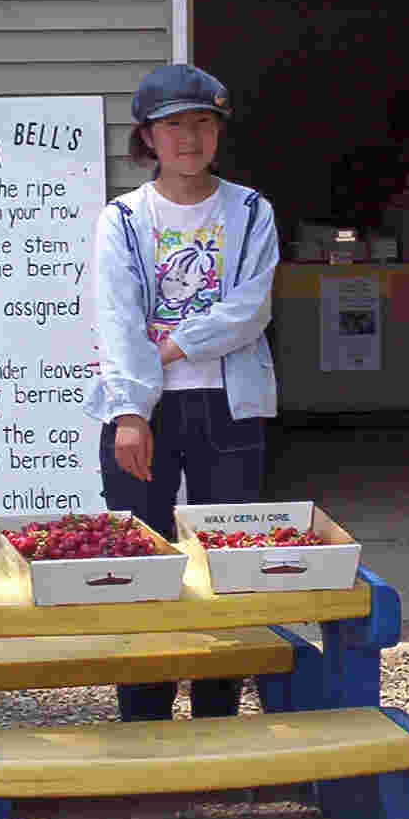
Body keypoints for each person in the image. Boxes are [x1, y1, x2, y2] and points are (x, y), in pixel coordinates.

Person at [87, 62, 280, 721]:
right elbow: (117, 319)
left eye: (203, 122)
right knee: (140, 555)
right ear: (147, 136)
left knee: (225, 555)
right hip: (142, 412)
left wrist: (167, 347)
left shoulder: (250, 210)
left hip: (230, 404)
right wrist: (131, 412)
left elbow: (249, 311)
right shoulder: (122, 219)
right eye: (172, 125)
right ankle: (144, 712)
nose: (189, 138)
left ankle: (218, 711)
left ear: (219, 131)